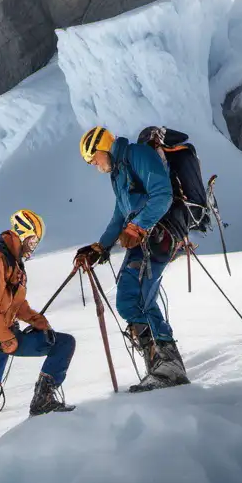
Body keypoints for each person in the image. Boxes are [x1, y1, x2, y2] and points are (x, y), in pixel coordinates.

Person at [76, 126, 189, 392]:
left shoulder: (137, 155)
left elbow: (162, 195)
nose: (94, 165)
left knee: (140, 295)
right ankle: (157, 367)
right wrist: (99, 248)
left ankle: (170, 367)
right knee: (127, 300)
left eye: (93, 159)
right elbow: (119, 216)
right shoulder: (118, 173)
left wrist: (136, 227)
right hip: (140, 241)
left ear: (103, 148)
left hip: (160, 234)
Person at [0, 209, 76, 451]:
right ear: (23, 234)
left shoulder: (13, 262)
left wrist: (36, 319)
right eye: (33, 239)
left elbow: (16, 303)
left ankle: (43, 399)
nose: (34, 246)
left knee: (63, 343)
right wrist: (6, 337)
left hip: (7, 334)